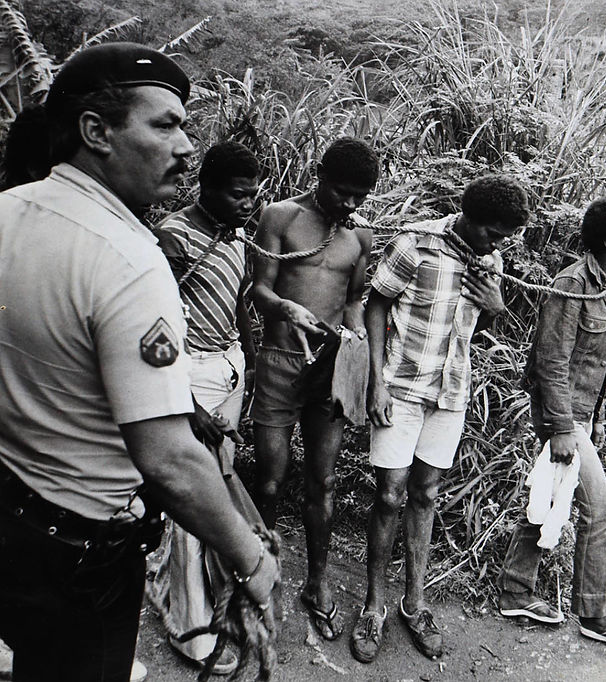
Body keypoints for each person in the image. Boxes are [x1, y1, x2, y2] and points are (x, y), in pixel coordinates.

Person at [0, 43, 277, 682]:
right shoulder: (131, 259)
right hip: (80, 552)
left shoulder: (10, 211)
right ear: (96, 132)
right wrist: (253, 561)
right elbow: (170, 461)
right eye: (165, 125)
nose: (186, 146)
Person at [350, 175, 530, 664]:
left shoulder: (490, 260)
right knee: (389, 495)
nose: (497, 244)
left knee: (426, 493)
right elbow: (376, 306)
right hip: (401, 387)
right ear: (469, 217)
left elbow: (479, 323)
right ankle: (373, 606)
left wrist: (496, 307)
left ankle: (415, 603)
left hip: (450, 393)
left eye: (504, 237)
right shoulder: (416, 243)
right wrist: (376, 382)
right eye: (493, 233)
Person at [497, 195, 606, 649]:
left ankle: (515, 590)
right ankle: (593, 613)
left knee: (550, 492)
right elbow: (551, 360)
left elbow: (593, 361)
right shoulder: (574, 283)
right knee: (600, 511)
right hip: (559, 415)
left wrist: (593, 417)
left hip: (577, 414)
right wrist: (564, 428)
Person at [250, 137, 379, 641]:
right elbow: (259, 289)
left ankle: (317, 583)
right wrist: (285, 308)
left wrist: (356, 346)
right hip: (281, 361)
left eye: (359, 196)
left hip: (330, 368)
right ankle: (262, 579)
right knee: (269, 481)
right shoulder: (280, 217)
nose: (350, 203)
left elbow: (353, 300)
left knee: (322, 482)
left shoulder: (359, 236)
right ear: (319, 174)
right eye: (342, 191)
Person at [149, 141, 261, 674]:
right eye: (238, 194)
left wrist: (249, 365)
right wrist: (186, 401)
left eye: (253, 194)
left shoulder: (234, 233)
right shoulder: (174, 236)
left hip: (227, 369)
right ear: (206, 188)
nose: (248, 203)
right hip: (189, 375)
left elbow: (237, 304)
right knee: (192, 502)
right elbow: (154, 328)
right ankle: (191, 631)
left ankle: (201, 597)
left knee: (216, 493)